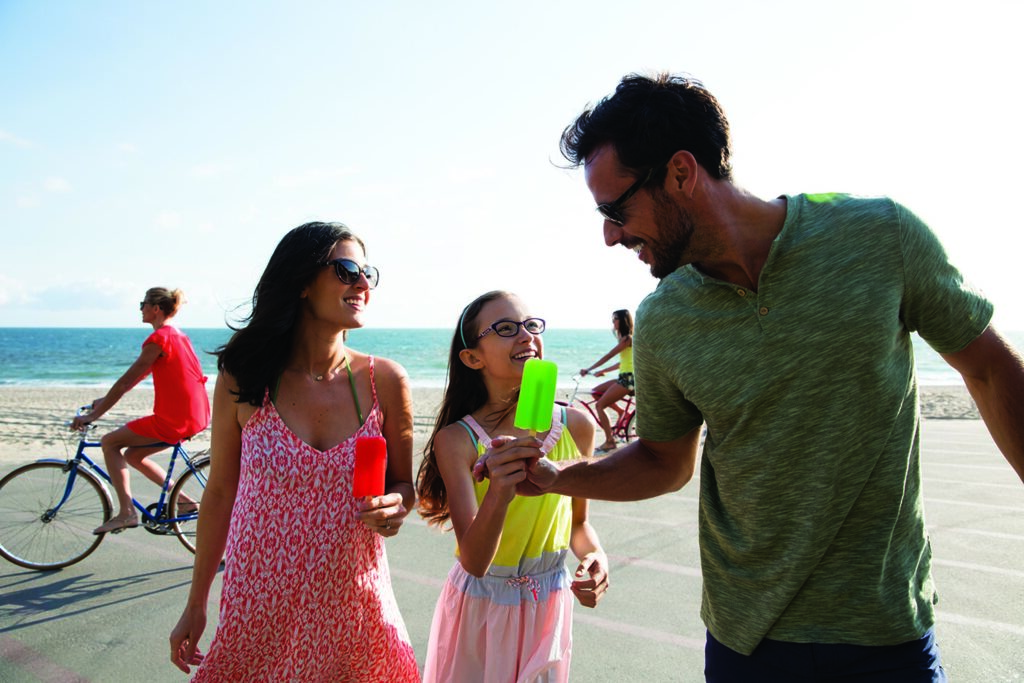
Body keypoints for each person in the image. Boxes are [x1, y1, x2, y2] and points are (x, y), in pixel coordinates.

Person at [477, 73, 1024, 682]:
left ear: (681, 173)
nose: (609, 234)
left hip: (886, 631)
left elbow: (991, 369)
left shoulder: (880, 238)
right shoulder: (663, 319)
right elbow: (665, 461)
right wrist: (557, 477)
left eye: (616, 209)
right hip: (747, 644)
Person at [168, 222, 419, 681]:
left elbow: (404, 485)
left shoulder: (384, 381)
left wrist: (395, 505)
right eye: (347, 271)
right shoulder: (244, 378)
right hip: (258, 604)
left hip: (354, 604)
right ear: (302, 282)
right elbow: (220, 493)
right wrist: (196, 603)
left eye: (368, 274)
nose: (363, 284)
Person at [416, 290, 609, 683]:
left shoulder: (576, 426)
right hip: (481, 607)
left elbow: (577, 524)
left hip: (548, 606)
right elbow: (474, 559)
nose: (525, 335)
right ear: (473, 358)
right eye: (506, 328)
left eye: (531, 325)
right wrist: (501, 491)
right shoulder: (457, 440)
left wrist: (597, 558)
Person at [71, 288, 210, 535]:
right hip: (194, 414)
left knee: (110, 442)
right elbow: (139, 377)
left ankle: (126, 514)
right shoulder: (177, 336)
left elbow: (125, 382)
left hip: (175, 418)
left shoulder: (158, 339)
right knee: (134, 456)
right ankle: (186, 502)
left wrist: (93, 416)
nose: (141, 309)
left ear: (155, 308)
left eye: (142, 304)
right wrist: (101, 401)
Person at [579, 308, 634, 452]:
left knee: (599, 406)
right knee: (596, 392)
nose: (613, 322)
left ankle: (610, 441)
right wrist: (603, 371)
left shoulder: (627, 338)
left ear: (622, 320)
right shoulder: (624, 338)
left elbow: (609, 356)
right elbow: (623, 363)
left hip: (628, 380)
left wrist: (589, 369)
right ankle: (622, 412)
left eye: (615, 319)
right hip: (623, 377)